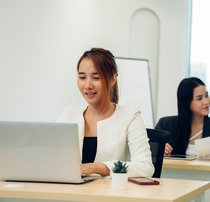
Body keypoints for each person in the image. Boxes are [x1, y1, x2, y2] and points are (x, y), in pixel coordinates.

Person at [56, 48, 154, 177]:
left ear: (112, 78)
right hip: (69, 192)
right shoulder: (69, 114)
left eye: (96, 77)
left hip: (109, 194)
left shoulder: (130, 116)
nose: (88, 85)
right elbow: (50, 156)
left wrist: (95, 168)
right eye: (82, 77)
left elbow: (145, 167)